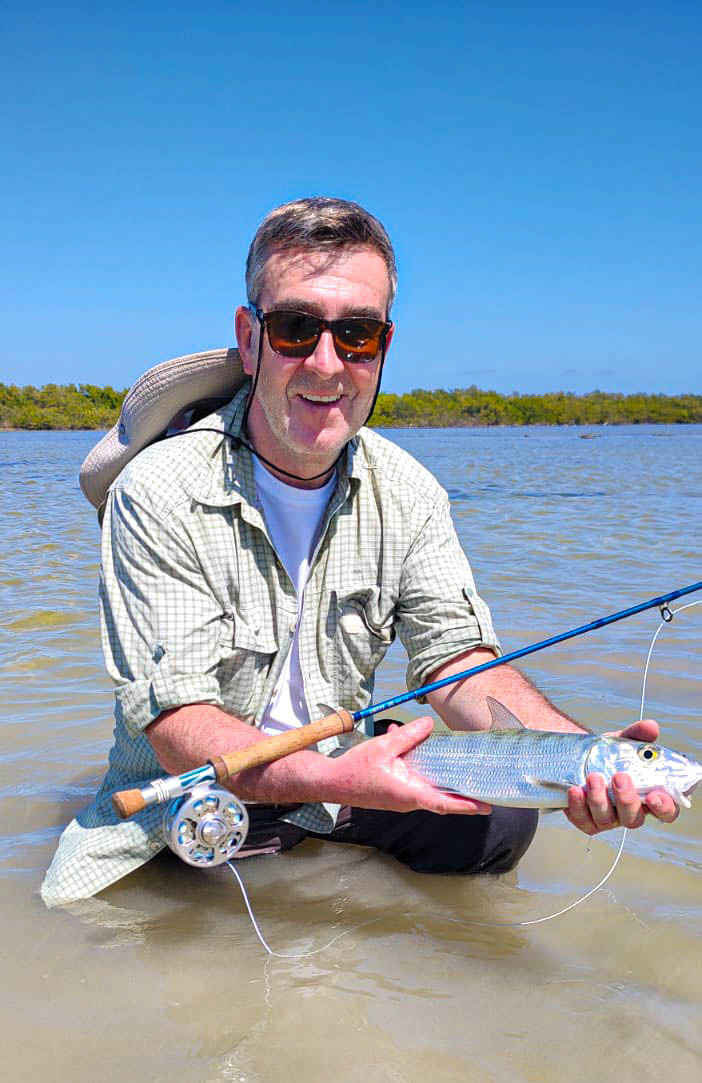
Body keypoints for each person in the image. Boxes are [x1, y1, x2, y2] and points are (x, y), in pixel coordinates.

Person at [41, 197, 678, 906]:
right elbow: (179, 725)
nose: (327, 362)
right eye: (296, 328)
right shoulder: (157, 490)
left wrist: (587, 758)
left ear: (383, 346)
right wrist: (332, 778)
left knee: (500, 822)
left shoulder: (411, 492)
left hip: (337, 779)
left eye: (356, 334)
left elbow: (456, 660)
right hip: (185, 803)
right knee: (104, 926)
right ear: (250, 339)